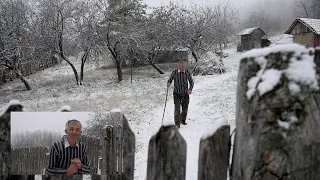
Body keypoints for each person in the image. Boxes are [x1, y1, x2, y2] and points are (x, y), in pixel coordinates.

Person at [167, 59, 194, 128]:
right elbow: (170, 79)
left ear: (184, 66)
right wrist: (168, 83)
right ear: (178, 65)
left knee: (185, 108)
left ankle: (183, 120)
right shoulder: (174, 72)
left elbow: (191, 82)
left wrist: (190, 89)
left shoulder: (187, 72)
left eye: (183, 65)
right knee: (177, 109)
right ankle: (177, 123)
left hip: (185, 94)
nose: (181, 66)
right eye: (180, 65)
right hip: (177, 94)